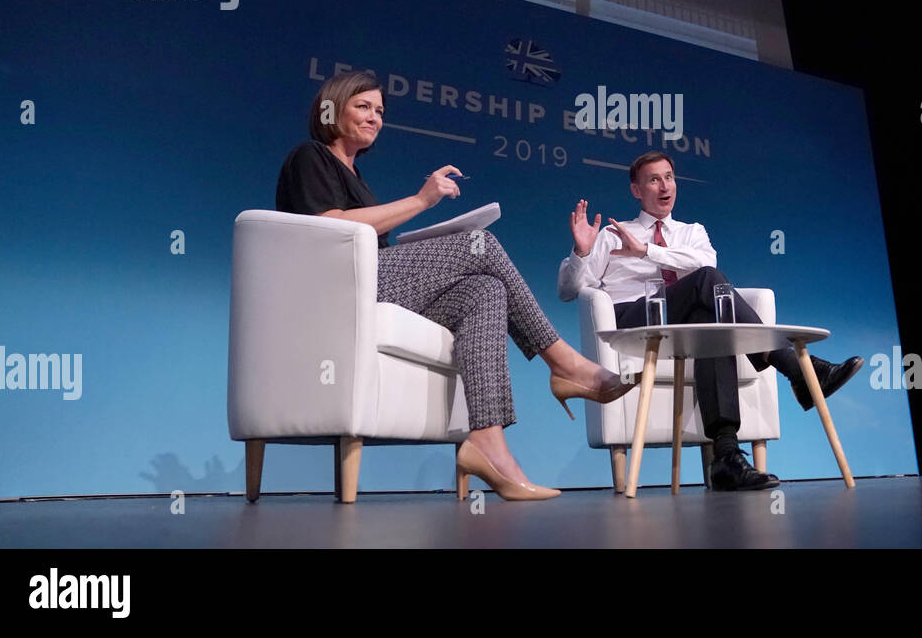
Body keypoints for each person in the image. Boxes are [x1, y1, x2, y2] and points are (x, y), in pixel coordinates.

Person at [275, 70, 638, 501]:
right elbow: (329, 227)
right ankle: (563, 363)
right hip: (337, 285)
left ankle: (488, 443)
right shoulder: (310, 156)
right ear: (331, 109)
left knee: (486, 290)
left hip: (373, 281)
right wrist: (421, 200)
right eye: (364, 106)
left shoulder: (359, 180)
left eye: (380, 111)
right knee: (480, 243)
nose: (375, 117)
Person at [557, 151, 864, 491]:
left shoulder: (693, 232)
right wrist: (580, 252)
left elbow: (705, 261)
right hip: (635, 322)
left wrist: (647, 252)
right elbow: (569, 291)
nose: (665, 186)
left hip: (686, 328)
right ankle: (798, 370)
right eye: (654, 179)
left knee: (712, 322)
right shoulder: (615, 234)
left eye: (669, 177)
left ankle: (727, 456)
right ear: (636, 190)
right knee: (707, 281)